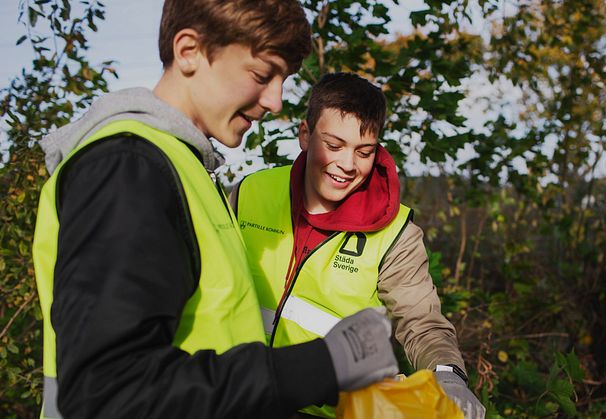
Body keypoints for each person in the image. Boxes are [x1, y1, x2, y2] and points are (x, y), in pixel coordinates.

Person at [32, 2, 398, 418]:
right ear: (188, 50)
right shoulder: (129, 167)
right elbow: (108, 392)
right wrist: (320, 365)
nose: (275, 101)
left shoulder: (181, 167)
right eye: (262, 75)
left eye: (282, 81)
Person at [231, 72, 486, 419]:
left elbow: (422, 321)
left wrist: (448, 375)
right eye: (334, 146)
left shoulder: (396, 232)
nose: (347, 165)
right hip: (235, 394)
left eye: (363, 152)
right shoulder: (248, 193)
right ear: (305, 136)